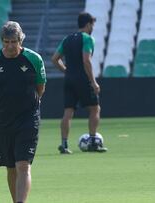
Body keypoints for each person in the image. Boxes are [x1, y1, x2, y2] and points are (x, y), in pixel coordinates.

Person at [0, 21, 46, 203]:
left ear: (21, 40)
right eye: (6, 42)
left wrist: (29, 104)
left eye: (14, 41)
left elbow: (40, 87)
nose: (10, 46)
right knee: (10, 167)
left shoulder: (34, 59)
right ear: (1, 41)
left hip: (28, 118)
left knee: (23, 165)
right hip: (4, 119)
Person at [51, 12, 107, 154]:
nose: (92, 27)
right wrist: (93, 82)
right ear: (88, 24)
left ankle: (64, 145)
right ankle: (93, 142)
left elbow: (54, 59)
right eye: (92, 25)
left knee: (68, 112)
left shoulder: (67, 39)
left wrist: (66, 71)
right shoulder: (87, 39)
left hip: (69, 79)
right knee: (95, 109)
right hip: (83, 78)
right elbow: (86, 60)